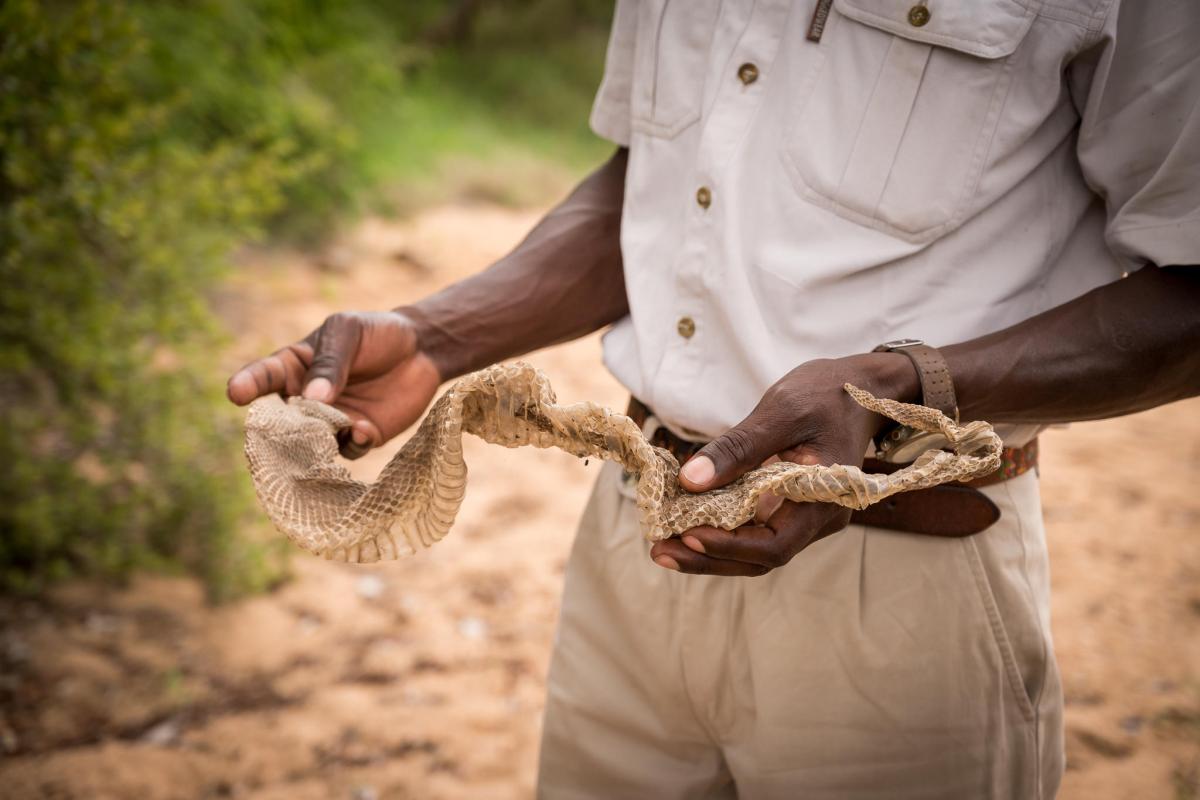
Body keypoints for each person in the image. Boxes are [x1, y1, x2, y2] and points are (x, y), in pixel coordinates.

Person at [227, 1, 1200, 796]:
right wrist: (438, 336)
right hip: (629, 550)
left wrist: (898, 385)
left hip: (907, 590)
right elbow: (655, 191)